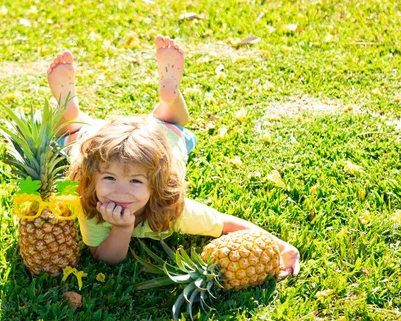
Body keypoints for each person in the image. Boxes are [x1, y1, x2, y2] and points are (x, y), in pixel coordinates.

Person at [46, 35, 300, 277]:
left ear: (155, 186)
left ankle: (76, 115)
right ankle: (74, 111)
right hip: (121, 142)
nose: (120, 192)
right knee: (81, 144)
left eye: (135, 181)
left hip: (161, 144)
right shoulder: (90, 202)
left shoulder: (173, 210)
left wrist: (283, 247)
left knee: (166, 127)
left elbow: (226, 224)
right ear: (92, 179)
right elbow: (103, 257)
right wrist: (122, 228)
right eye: (110, 178)